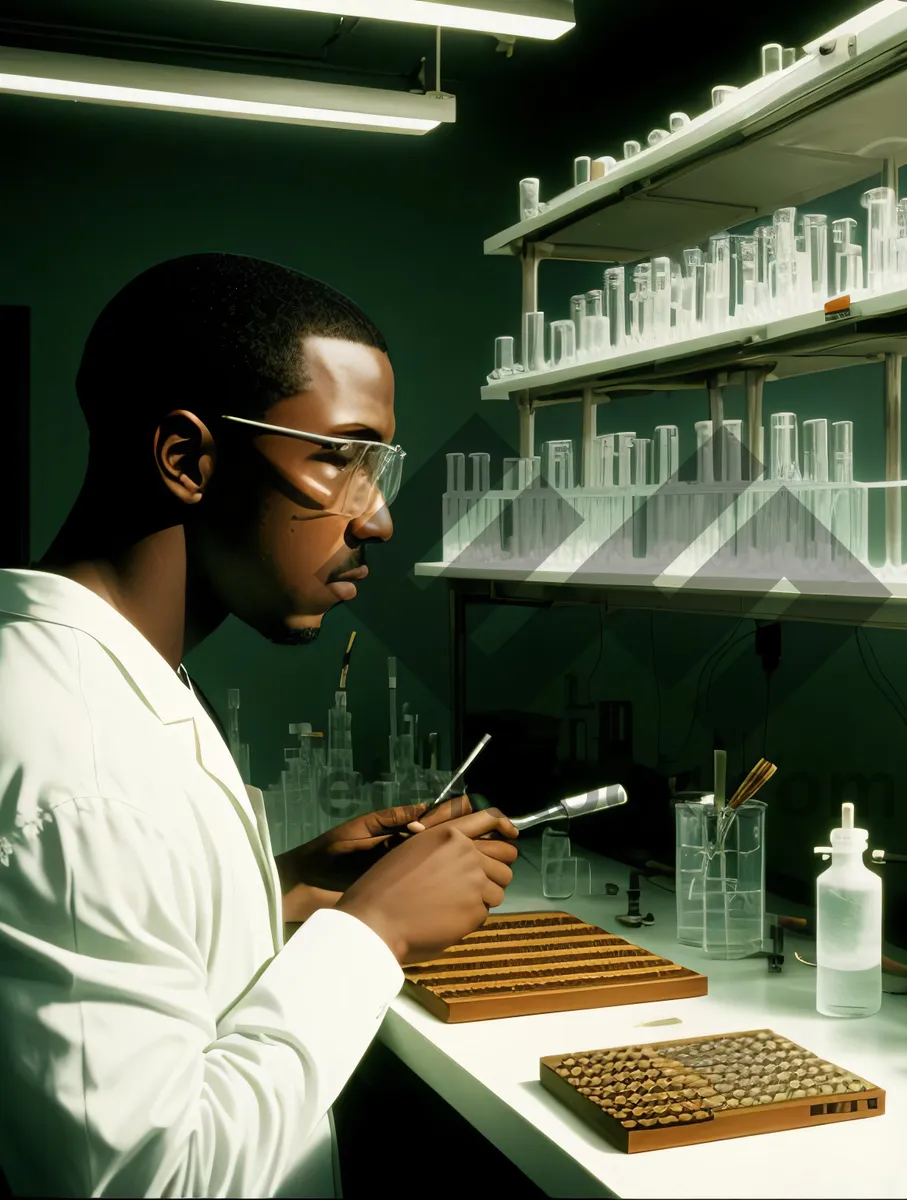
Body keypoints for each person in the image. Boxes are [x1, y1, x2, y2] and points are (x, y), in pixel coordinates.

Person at [0, 253, 519, 1197]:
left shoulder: (98, 678)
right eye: (340, 457)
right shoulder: (79, 766)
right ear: (188, 461)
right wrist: (374, 932)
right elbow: (155, 1181)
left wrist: (276, 892)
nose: (380, 518)